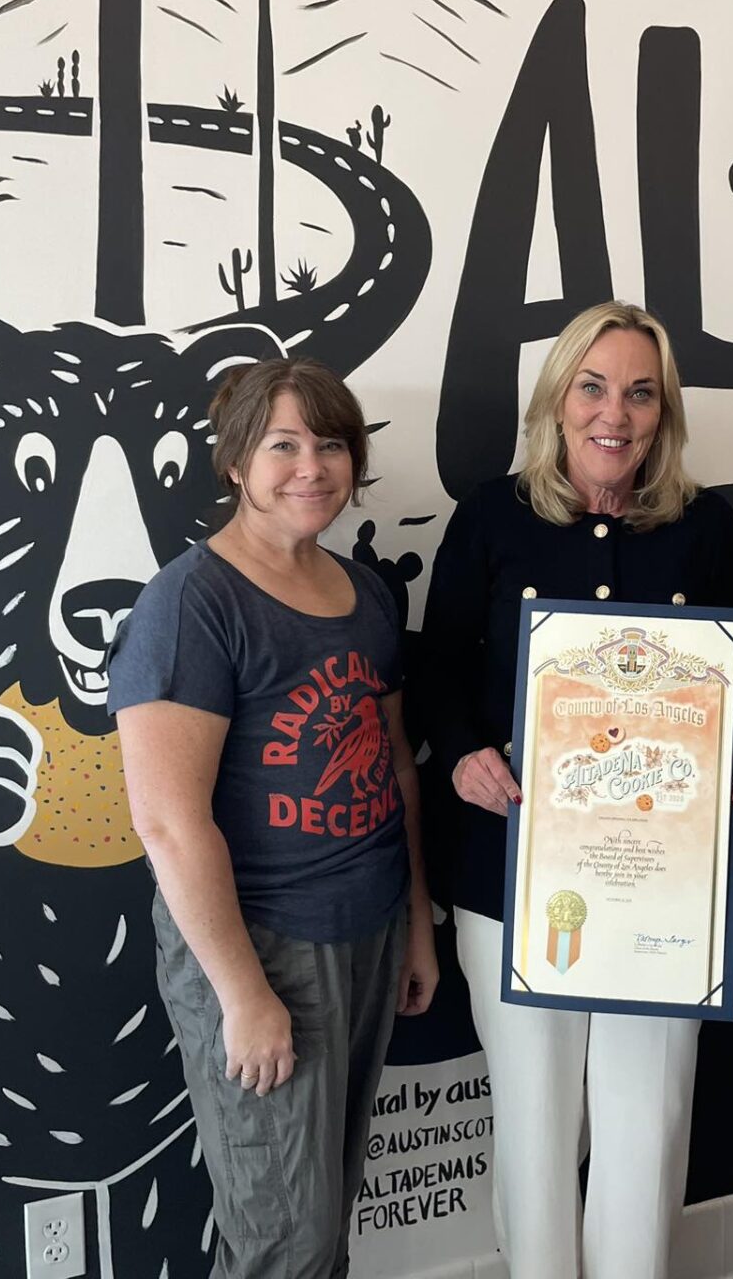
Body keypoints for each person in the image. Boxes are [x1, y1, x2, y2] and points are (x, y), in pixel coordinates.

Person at [418, 301, 733, 1279]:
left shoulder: (705, 526)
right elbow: (439, 668)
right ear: (558, 399)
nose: (613, 414)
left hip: (665, 882)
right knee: (536, 1125)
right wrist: (461, 753)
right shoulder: (492, 517)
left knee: (647, 1121)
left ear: (664, 412)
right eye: (592, 387)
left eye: (639, 393)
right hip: (513, 869)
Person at [111, 357, 438, 1279]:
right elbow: (168, 824)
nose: (311, 467)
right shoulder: (191, 603)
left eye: (331, 445)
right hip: (263, 948)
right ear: (235, 462)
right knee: (281, 1241)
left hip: (368, 929)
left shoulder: (366, 592)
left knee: (323, 1221)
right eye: (282, 445)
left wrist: (416, 923)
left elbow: (394, 768)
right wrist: (243, 995)